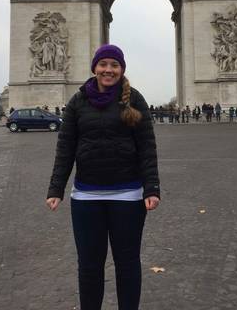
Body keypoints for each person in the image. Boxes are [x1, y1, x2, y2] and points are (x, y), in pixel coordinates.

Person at [46, 44, 160, 310]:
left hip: (128, 195)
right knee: (89, 265)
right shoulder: (77, 102)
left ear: (121, 70)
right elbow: (66, 147)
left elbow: (147, 146)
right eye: (104, 64)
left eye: (114, 65)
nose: (108, 70)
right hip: (86, 196)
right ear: (95, 67)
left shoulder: (135, 99)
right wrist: (56, 188)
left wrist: (151, 187)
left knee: (128, 263)